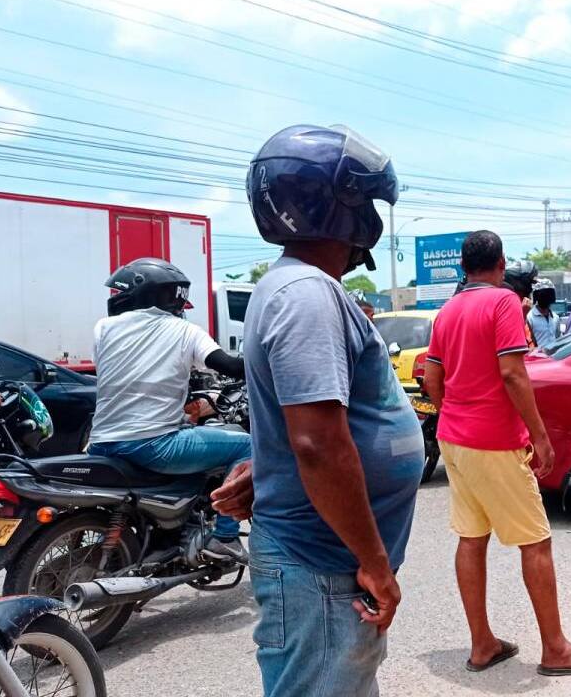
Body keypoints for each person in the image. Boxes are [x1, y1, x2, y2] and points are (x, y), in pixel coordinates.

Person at [239, 124, 425, 696]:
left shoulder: (298, 288)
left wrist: (260, 471)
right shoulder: (308, 296)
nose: (372, 214)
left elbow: (294, 423)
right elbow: (317, 443)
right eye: (365, 199)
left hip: (320, 562)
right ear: (332, 204)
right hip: (320, 565)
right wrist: (373, 561)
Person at [423, 230, 571, 678]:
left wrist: (456, 413)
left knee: (471, 537)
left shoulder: (447, 311)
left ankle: (483, 643)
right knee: (536, 540)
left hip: (455, 439)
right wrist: (540, 437)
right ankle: (556, 649)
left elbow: (432, 376)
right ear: (501, 263)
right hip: (493, 440)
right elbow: (512, 373)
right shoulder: (503, 301)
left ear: (464, 267)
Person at [88, 257, 250, 564]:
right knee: (247, 446)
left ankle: (170, 530)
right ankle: (225, 538)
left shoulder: (103, 328)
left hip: (101, 442)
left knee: (189, 440)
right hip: (152, 444)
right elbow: (227, 365)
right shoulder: (184, 331)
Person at [504, 259, 540, 349]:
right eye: (530, 284)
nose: (531, 289)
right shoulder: (507, 308)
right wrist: (521, 315)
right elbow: (510, 343)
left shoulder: (524, 310)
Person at [527, 278, 559, 348]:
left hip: (553, 356)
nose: (546, 297)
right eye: (543, 295)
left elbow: (558, 338)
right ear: (537, 296)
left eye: (548, 295)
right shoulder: (529, 318)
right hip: (537, 357)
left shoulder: (555, 317)